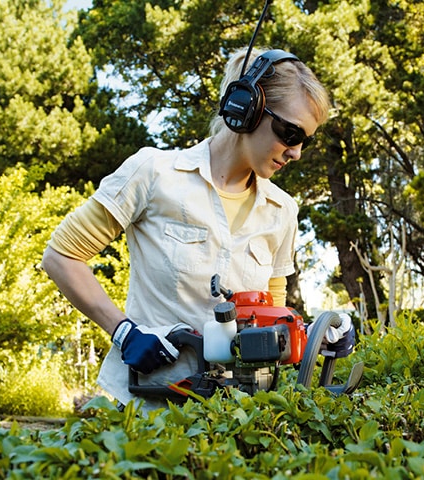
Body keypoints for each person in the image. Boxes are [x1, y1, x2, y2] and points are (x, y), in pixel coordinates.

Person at [41, 47, 352, 410]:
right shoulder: (155, 174)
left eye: (305, 141)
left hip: (238, 415)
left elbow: (271, 315)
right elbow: (61, 257)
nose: (296, 152)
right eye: (290, 132)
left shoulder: (281, 210)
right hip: (149, 407)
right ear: (245, 108)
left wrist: (317, 336)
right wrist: (122, 331)